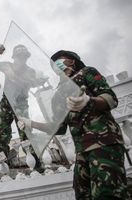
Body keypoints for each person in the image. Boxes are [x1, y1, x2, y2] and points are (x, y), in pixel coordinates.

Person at [22, 50, 130, 199]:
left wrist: (89, 101)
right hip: (81, 151)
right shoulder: (58, 94)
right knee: (82, 194)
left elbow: (111, 99)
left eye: (59, 61)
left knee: (108, 193)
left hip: (104, 143)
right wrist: (31, 123)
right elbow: (58, 128)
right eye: (53, 65)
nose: (56, 66)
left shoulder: (87, 73)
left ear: (72, 61)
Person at [0, 44, 47, 168]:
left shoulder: (30, 71)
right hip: (6, 104)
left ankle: (34, 161)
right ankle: (2, 162)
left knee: (25, 131)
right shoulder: (7, 66)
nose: (21, 59)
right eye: (19, 57)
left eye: (23, 57)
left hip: (21, 105)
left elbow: (34, 83)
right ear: (14, 57)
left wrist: (39, 81)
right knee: (2, 132)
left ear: (26, 57)